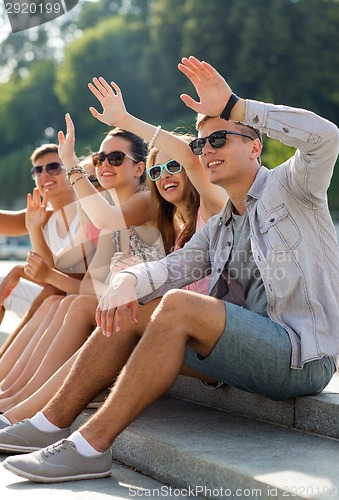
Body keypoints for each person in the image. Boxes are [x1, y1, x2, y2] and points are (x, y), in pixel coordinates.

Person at [2, 55, 339, 483]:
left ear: (255, 146)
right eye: (201, 145)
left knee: (178, 305)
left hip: (301, 356)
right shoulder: (218, 228)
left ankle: (90, 445)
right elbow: (172, 266)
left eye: (219, 140)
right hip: (243, 350)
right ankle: (50, 423)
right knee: (135, 308)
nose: (207, 151)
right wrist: (126, 280)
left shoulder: (294, 189)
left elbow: (326, 137)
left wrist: (236, 105)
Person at [0, 118, 224, 416]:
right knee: (63, 303)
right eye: (99, 159)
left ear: (137, 168)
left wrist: (73, 165)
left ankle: (22, 406)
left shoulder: (145, 202)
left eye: (115, 158)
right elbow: (88, 285)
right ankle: (12, 395)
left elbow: (86, 259)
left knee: (75, 306)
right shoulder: (142, 221)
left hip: (182, 323)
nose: (104, 165)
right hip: (152, 312)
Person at [0, 144, 97, 356]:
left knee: (50, 293)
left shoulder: (89, 212)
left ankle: (5, 358)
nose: (44, 174)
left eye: (53, 167)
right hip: (56, 299)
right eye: (38, 170)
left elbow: (57, 280)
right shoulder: (42, 215)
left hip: (75, 303)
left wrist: (19, 269)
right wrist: (34, 225)